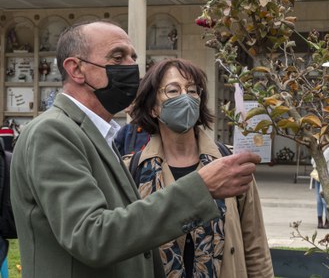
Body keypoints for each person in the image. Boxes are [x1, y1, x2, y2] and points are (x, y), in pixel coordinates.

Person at [10, 20, 262, 278]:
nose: (131, 67)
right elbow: (92, 236)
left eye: (133, 58)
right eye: (118, 57)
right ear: (76, 69)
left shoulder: (98, 134)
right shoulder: (53, 132)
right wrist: (202, 187)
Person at [129, 58, 274, 278]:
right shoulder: (133, 169)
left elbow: (255, 248)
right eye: (173, 90)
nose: (185, 97)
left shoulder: (231, 163)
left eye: (193, 91)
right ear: (153, 108)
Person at [311, 138, 329, 229]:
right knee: (318, 201)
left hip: (325, 179)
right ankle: (319, 220)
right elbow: (312, 161)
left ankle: (327, 221)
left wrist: (316, 156)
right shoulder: (318, 151)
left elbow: (317, 163)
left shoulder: (328, 152)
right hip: (318, 178)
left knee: (325, 201)